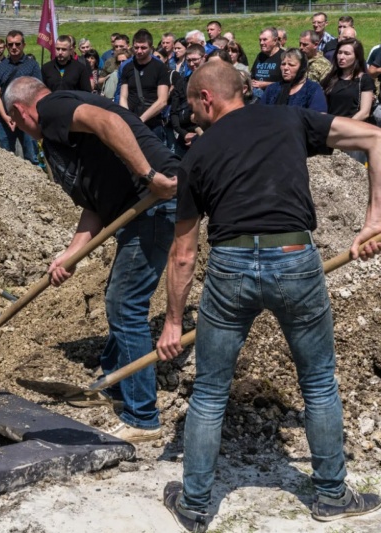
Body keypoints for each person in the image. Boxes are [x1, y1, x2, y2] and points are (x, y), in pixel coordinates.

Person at [156, 60, 381, 533]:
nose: (191, 115)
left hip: (231, 265)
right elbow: (375, 139)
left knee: (211, 391)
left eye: (193, 105)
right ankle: (332, 495)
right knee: (318, 382)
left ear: (207, 99)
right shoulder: (288, 118)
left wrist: (174, 321)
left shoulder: (195, 156)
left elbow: (183, 253)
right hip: (295, 257)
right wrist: (374, 218)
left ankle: (195, 505)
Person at [5, 76, 179, 443]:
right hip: (134, 209)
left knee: (124, 302)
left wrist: (149, 176)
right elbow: (94, 208)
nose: (17, 128)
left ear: (21, 110)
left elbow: (109, 121)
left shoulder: (52, 108)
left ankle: (142, 417)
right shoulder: (60, 140)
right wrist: (70, 256)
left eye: (14, 121)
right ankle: (116, 385)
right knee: (121, 297)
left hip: (154, 202)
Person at [0, 30, 42, 165]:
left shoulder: (32, 65)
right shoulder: (0, 67)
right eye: (10, 44)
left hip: (28, 118)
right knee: (4, 159)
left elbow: (38, 92)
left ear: (23, 45)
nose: (14, 47)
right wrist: (6, 117)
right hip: (5, 117)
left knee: (32, 158)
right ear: (6, 46)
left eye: (17, 44)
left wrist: (26, 116)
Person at [321, 39, 375, 163]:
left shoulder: (364, 80)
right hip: (331, 132)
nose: (341, 57)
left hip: (352, 134)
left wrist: (344, 127)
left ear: (357, 57)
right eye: (339, 53)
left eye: (347, 53)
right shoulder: (330, 78)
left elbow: (364, 112)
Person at [119, 30, 171, 143]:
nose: (139, 51)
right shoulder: (127, 67)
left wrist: (141, 119)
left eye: (143, 48)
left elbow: (162, 100)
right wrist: (127, 117)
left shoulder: (160, 68)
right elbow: (123, 96)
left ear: (151, 48)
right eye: (136, 47)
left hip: (152, 124)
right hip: (131, 123)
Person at [261, 49, 327, 111]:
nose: (285, 68)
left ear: (302, 68)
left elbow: (318, 117)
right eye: (283, 64)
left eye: (291, 65)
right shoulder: (272, 89)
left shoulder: (312, 89)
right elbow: (261, 113)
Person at [170, 44, 205, 157]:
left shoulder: (213, 82)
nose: (191, 64)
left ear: (204, 57)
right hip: (184, 136)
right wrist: (183, 133)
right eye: (188, 60)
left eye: (195, 60)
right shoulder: (181, 83)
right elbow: (174, 112)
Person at [251, 27, 283, 99]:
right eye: (260, 40)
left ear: (275, 41)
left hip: (274, 96)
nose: (261, 43)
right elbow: (252, 75)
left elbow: (287, 83)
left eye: (265, 40)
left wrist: (266, 84)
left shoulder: (283, 57)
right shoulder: (260, 56)